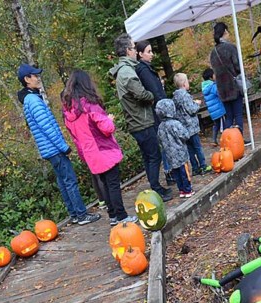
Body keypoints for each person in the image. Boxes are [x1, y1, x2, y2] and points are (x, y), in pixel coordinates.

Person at [16, 64, 101, 226]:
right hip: (53, 148)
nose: (38, 78)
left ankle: (74, 214)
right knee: (70, 180)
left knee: (63, 181)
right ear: (27, 79)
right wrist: (63, 146)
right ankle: (81, 215)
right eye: (34, 76)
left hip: (48, 149)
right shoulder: (33, 100)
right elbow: (47, 127)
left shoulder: (30, 98)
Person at [61, 70, 136, 227]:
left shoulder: (68, 112)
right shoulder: (89, 106)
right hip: (104, 150)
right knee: (113, 184)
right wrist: (109, 119)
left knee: (105, 185)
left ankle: (113, 215)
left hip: (90, 154)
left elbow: (75, 137)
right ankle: (121, 216)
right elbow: (106, 128)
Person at [109, 34, 173, 202]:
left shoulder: (127, 69)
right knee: (154, 156)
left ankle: (155, 188)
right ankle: (156, 190)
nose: (136, 51)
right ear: (128, 51)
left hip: (138, 121)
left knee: (148, 156)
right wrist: (152, 95)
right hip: (141, 121)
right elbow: (140, 93)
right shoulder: (126, 72)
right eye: (133, 47)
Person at [135, 40, 172, 185]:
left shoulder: (147, 68)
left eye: (151, 51)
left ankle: (170, 171)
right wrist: (164, 107)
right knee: (163, 141)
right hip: (157, 111)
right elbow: (154, 92)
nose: (152, 54)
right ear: (140, 54)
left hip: (158, 109)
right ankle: (169, 172)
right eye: (148, 52)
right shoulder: (143, 70)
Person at [209, 22, 244, 132]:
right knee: (238, 114)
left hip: (222, 89)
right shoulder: (231, 48)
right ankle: (239, 139)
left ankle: (229, 140)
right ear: (224, 32)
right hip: (234, 87)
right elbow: (238, 67)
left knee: (228, 117)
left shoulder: (213, 52)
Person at [156, 99, 193, 198]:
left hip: (170, 155)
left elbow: (159, 140)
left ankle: (181, 190)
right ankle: (187, 189)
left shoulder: (160, 127)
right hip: (180, 153)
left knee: (176, 173)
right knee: (184, 172)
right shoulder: (175, 124)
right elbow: (184, 135)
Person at [172, 73, 207, 175]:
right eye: (187, 81)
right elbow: (191, 110)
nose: (188, 83)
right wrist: (197, 104)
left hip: (183, 128)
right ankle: (203, 165)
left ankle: (195, 168)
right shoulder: (185, 96)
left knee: (190, 149)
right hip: (191, 127)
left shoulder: (175, 97)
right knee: (197, 147)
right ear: (183, 84)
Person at [201, 68, 226, 145]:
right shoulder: (212, 86)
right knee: (223, 124)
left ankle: (214, 140)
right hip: (219, 109)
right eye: (214, 74)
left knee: (216, 125)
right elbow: (219, 94)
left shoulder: (205, 87)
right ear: (210, 77)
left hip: (212, 111)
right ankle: (225, 139)